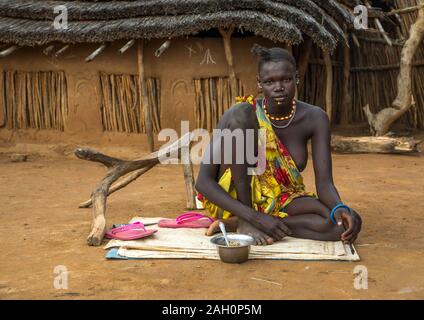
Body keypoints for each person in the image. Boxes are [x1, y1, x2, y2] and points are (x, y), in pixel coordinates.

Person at [195, 44, 362, 246]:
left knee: (339, 225)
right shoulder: (241, 115)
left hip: (282, 197)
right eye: (269, 82)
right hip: (236, 201)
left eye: (286, 79)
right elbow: (203, 182)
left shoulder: (315, 118)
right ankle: (246, 220)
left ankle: (252, 224)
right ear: (259, 84)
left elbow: (324, 183)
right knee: (241, 111)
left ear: (297, 78)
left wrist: (340, 208)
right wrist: (253, 216)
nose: (278, 87)